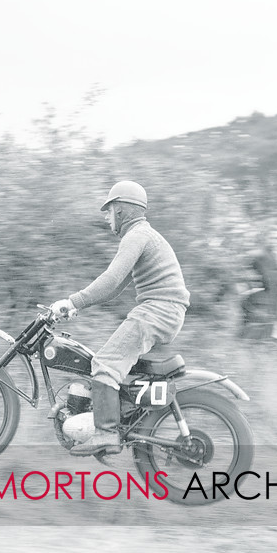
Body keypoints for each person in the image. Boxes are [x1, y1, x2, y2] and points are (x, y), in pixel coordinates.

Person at [49, 181, 191, 456]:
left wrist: (71, 301)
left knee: (104, 365)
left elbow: (111, 278)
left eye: (109, 209)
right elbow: (115, 287)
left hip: (157, 310)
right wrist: (79, 307)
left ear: (122, 211)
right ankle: (119, 420)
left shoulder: (137, 236)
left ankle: (106, 434)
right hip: (164, 310)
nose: (106, 216)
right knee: (112, 364)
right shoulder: (144, 236)